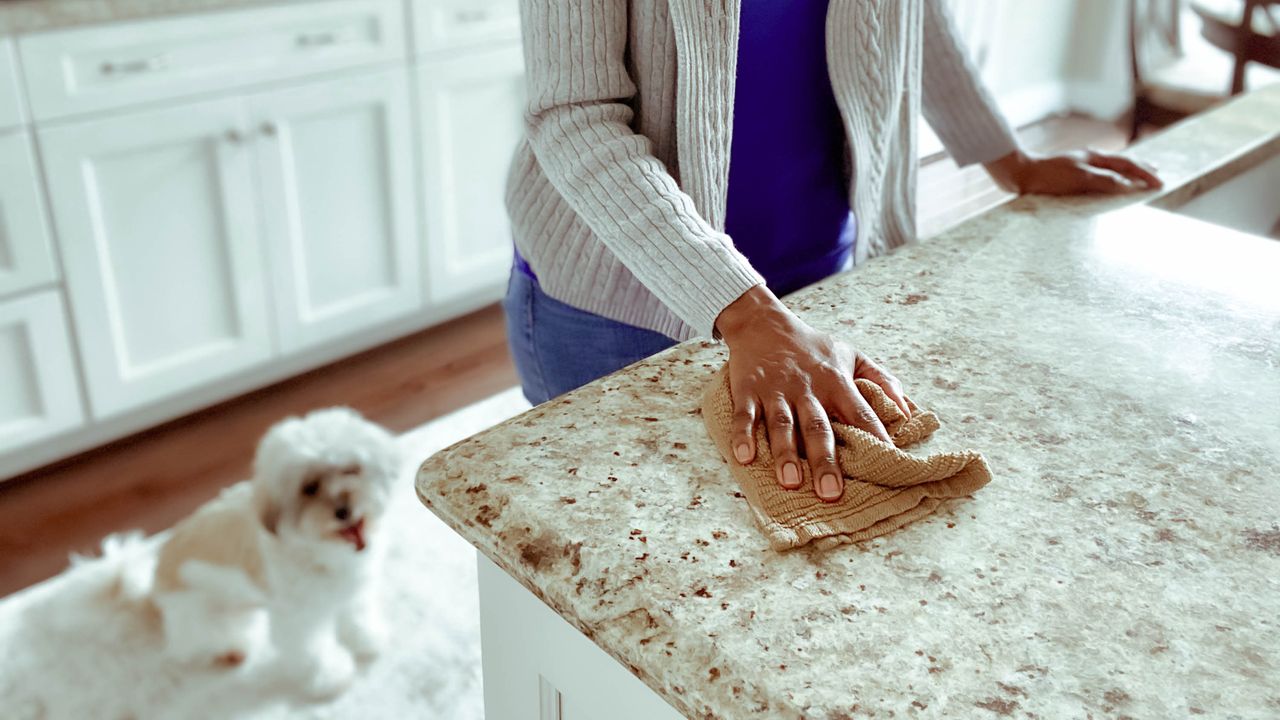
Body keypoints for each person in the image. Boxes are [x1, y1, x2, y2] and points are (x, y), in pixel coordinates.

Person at [501, 0, 1161, 503]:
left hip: (818, 278)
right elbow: (574, 112)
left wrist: (1009, 160)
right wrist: (751, 316)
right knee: (617, 554)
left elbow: (909, 16)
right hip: (617, 301)